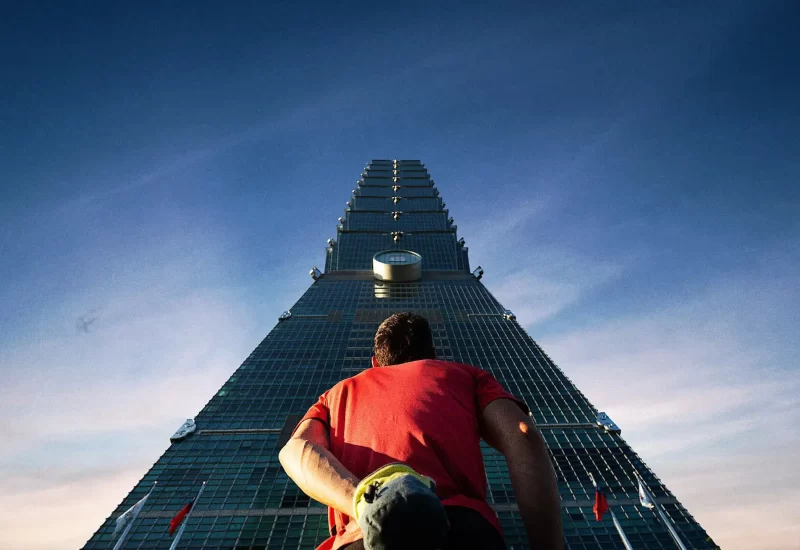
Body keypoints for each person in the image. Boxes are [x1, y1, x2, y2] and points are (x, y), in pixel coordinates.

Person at [279, 312, 563, 550]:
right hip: (460, 530)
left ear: (375, 363)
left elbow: (296, 451)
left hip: (360, 537)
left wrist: (368, 505)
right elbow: (523, 433)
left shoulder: (335, 394)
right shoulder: (465, 376)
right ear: (433, 356)